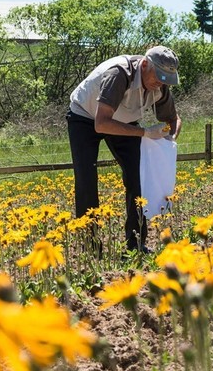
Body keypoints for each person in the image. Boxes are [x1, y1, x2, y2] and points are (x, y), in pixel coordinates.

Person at [67, 45, 182, 253]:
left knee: (138, 176)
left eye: (166, 79)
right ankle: (90, 248)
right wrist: (145, 132)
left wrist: (170, 140)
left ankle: (135, 244)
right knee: (86, 180)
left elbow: (173, 119)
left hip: (124, 120)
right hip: (85, 116)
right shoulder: (119, 75)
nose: (160, 83)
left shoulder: (160, 86)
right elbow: (102, 123)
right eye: (158, 76)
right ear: (144, 65)